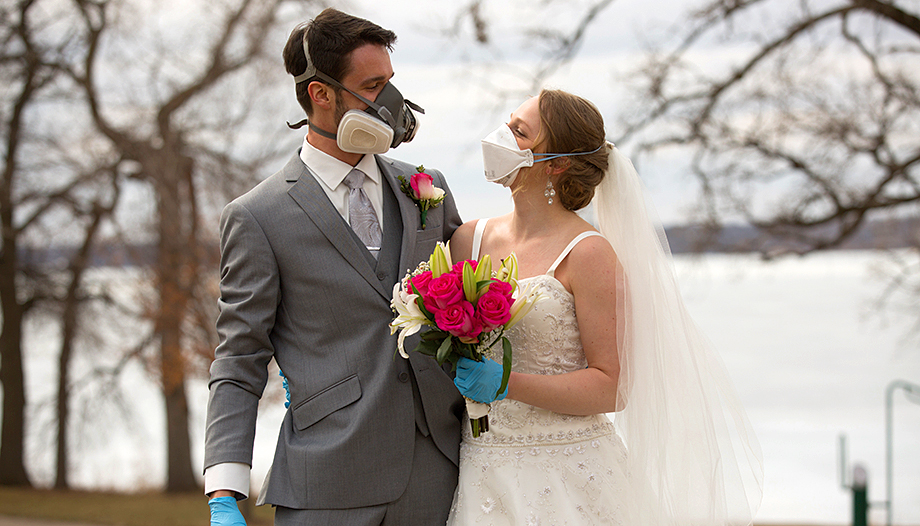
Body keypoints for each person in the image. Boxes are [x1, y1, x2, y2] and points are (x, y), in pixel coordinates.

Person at [446, 89, 764, 525]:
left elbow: (612, 387)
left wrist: (505, 382)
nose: (502, 137)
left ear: (556, 163)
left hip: (567, 475)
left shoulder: (590, 254)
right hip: (483, 467)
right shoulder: (467, 240)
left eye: (519, 132)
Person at [203, 8, 464, 526]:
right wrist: (224, 489)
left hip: (441, 469)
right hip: (326, 482)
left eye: (390, 82)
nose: (390, 102)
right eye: (373, 86)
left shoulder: (426, 191)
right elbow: (240, 357)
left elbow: (473, 301)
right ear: (321, 94)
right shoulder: (257, 217)